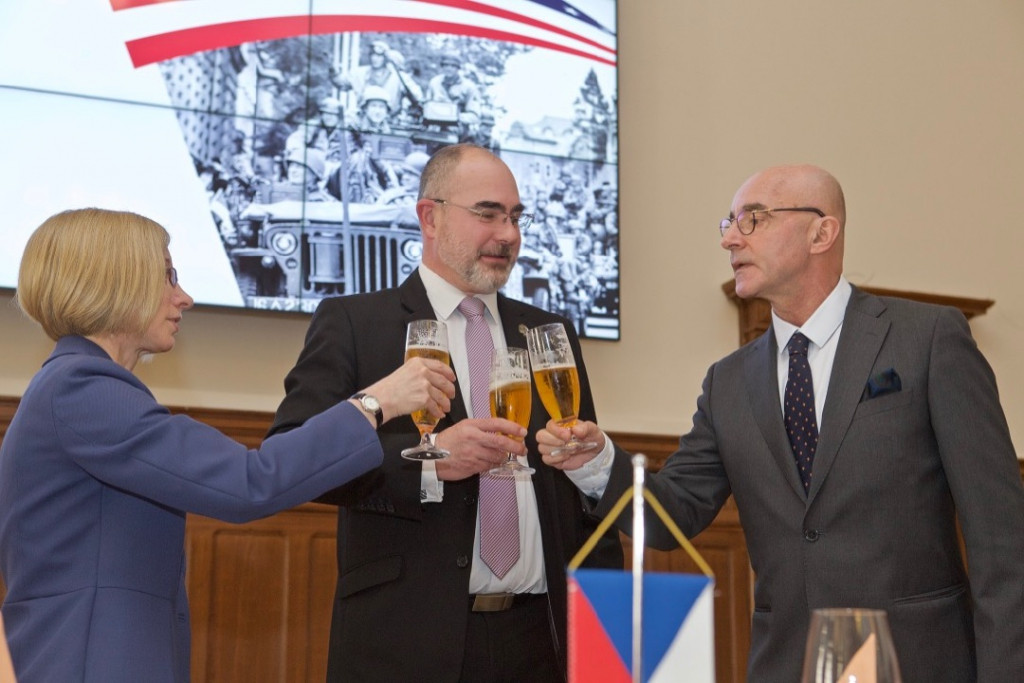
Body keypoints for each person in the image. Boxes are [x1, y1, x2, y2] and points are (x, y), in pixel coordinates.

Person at [538, 164, 1024, 683]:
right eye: (728, 223)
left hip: (917, 663)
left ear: (821, 232)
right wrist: (597, 464)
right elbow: (671, 515)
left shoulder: (928, 339)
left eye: (753, 218)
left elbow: (1002, 539)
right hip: (785, 665)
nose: (729, 238)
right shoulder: (727, 382)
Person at [0, 208, 456, 682]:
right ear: (118, 282)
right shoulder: (83, 391)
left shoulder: (73, 387)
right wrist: (376, 403)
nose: (184, 297)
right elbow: (248, 483)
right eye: (168, 276)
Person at [268, 143, 622, 682]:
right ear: (429, 218)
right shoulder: (355, 324)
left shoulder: (548, 333)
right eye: (488, 214)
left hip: (542, 642)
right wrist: (431, 462)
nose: (508, 234)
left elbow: (580, 491)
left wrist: (606, 638)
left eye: (516, 217)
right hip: (406, 643)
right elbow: (295, 454)